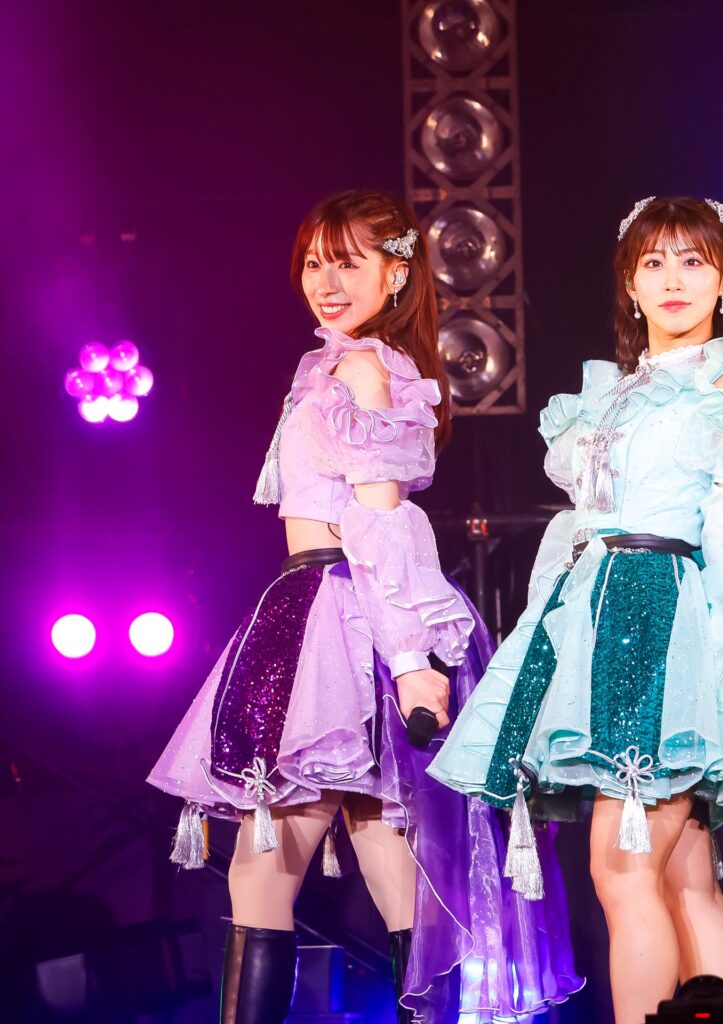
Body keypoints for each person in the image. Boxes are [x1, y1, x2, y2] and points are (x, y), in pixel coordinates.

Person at [430, 197, 723, 1024]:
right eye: (653, 262)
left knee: (623, 871)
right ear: (629, 284)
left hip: (660, 622)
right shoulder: (613, 393)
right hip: (597, 617)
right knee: (686, 878)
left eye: (693, 260)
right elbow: (579, 528)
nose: (672, 279)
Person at [148, 190, 579, 1023]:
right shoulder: (335, 366)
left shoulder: (364, 369)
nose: (326, 281)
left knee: (270, 870)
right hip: (313, 608)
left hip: (343, 614)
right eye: (315, 263)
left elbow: (382, 523)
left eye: (348, 262)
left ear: (397, 272)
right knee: (386, 859)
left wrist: (411, 663)